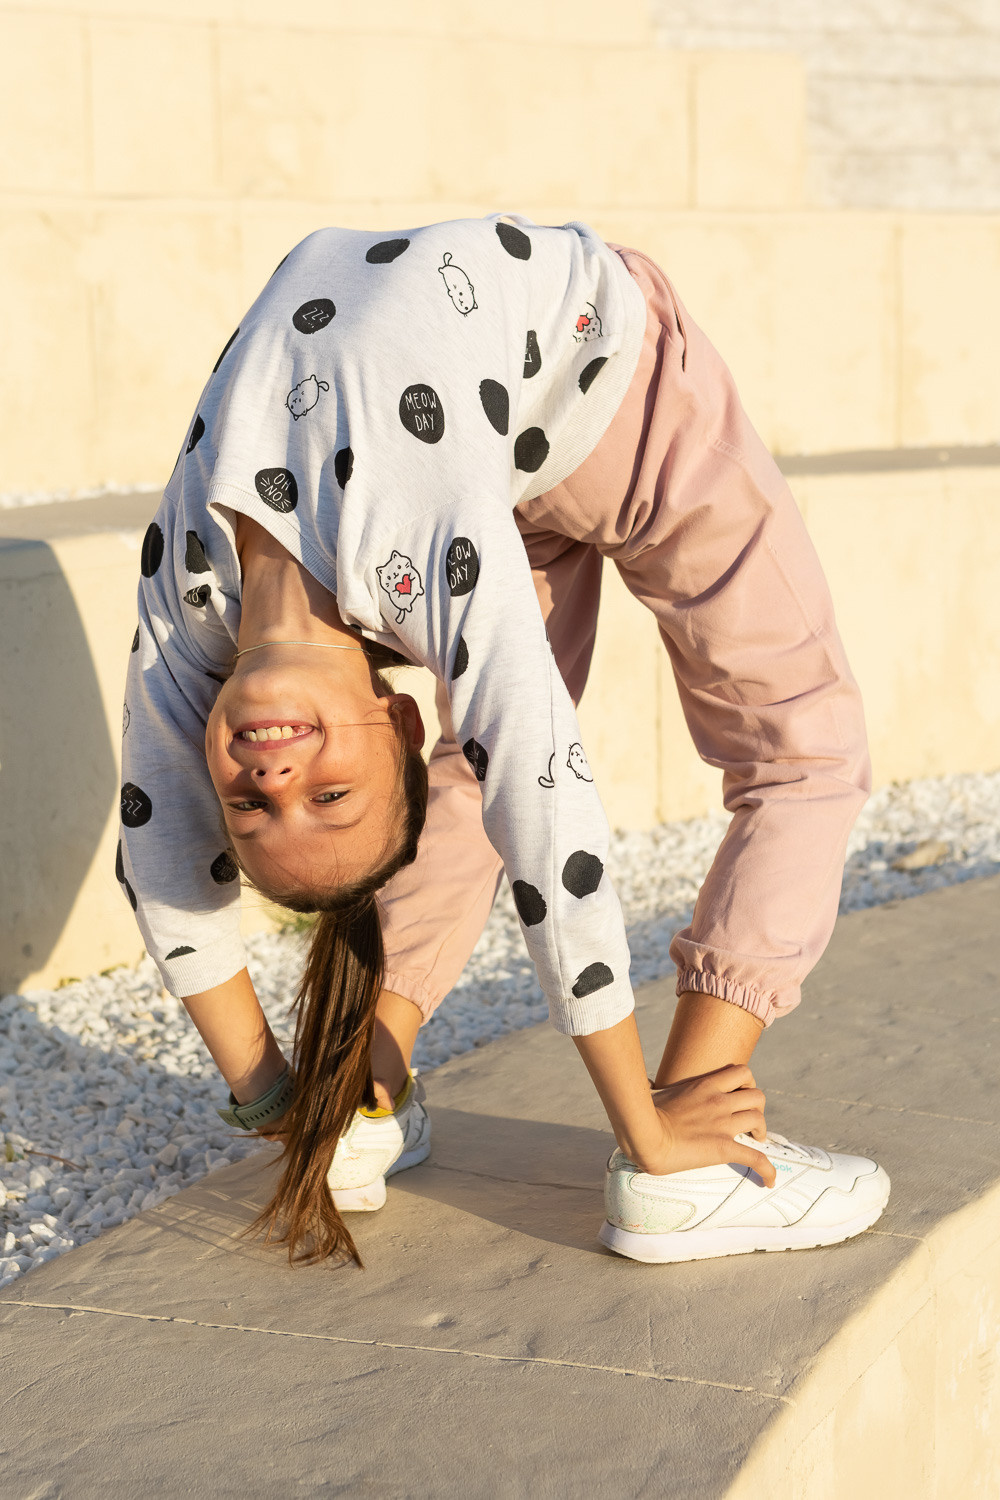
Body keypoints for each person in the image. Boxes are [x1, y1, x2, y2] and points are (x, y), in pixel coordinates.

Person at [118, 213, 889, 1269]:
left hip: (506, 420)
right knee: (808, 748)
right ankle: (690, 1164)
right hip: (622, 396)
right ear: (394, 715)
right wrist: (642, 1128)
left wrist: (273, 1097)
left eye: (251, 808)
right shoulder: (414, 538)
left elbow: (152, 837)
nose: (277, 777)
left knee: (488, 763)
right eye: (326, 799)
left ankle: (357, 1096)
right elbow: (543, 809)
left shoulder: (189, 583)